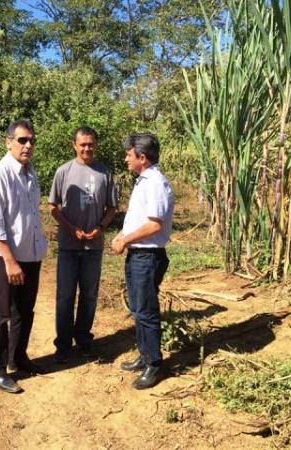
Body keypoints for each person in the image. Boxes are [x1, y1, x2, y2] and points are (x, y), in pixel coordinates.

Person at [0, 119, 48, 393]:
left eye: (32, 140)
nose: (28, 145)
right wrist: (10, 261)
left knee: (24, 310)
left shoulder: (30, 175)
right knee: (1, 313)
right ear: (8, 142)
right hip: (6, 256)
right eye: (22, 140)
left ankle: (17, 358)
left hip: (30, 254)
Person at [48, 126, 117, 362]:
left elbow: (112, 208)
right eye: (83, 144)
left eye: (91, 144)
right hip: (68, 246)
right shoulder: (63, 171)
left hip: (93, 248)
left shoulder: (105, 173)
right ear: (74, 145)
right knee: (65, 296)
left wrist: (100, 228)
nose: (87, 148)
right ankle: (63, 345)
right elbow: (52, 208)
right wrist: (72, 229)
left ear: (96, 145)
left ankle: (84, 340)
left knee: (89, 295)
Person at [111, 133, 174, 390]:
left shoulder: (155, 182)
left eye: (129, 154)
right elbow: (140, 219)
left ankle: (154, 365)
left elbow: (154, 224)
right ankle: (145, 355)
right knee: (138, 309)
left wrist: (126, 239)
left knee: (146, 312)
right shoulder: (143, 181)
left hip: (148, 256)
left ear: (142, 158)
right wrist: (123, 235)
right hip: (138, 255)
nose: (126, 158)